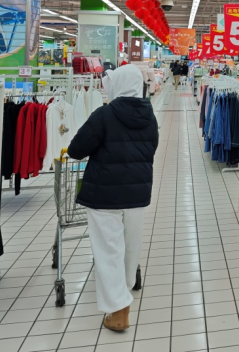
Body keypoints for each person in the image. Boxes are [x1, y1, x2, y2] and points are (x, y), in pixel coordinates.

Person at [67, 64, 159, 331]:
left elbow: (76, 149)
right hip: (138, 192)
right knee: (131, 247)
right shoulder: (149, 115)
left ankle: (118, 311)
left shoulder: (104, 114)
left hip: (105, 193)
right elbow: (151, 147)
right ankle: (125, 292)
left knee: (108, 250)